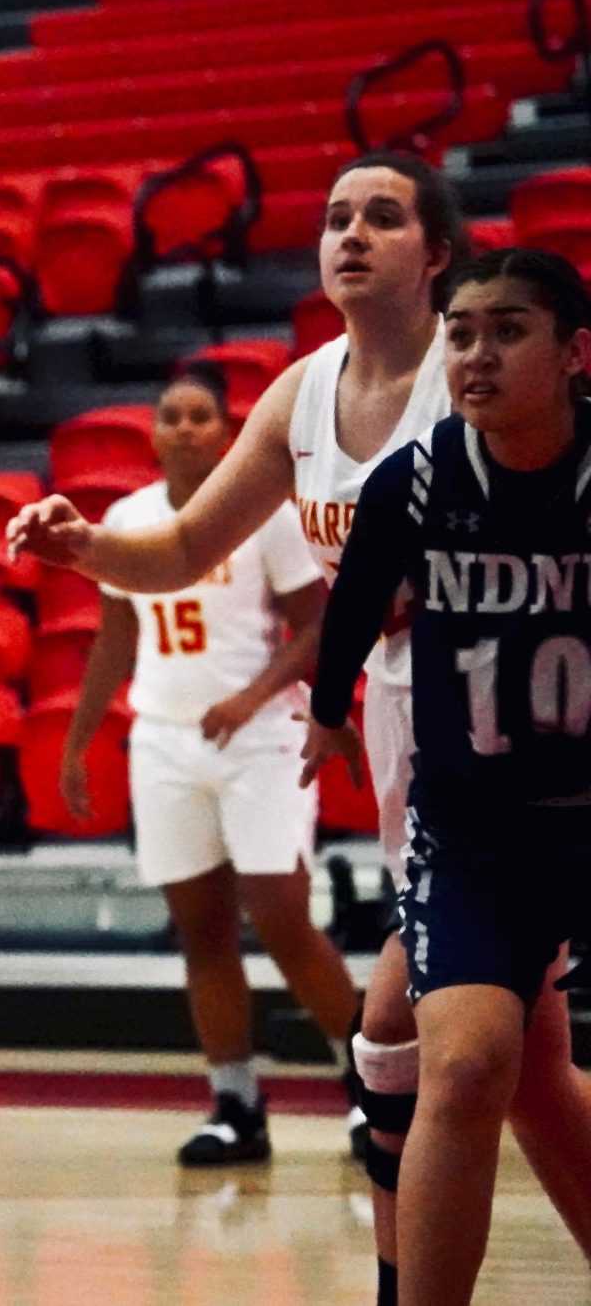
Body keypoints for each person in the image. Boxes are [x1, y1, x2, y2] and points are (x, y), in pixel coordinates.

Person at [9, 154, 591, 1303]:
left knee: (439, 1047)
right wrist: (83, 548)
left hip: (518, 724)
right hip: (405, 725)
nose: (351, 234)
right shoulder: (301, 392)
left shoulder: (481, 367)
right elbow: (179, 551)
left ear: (438, 253)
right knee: (502, 1059)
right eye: (334, 217)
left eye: (382, 214)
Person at [305, 248, 591, 1306]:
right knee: (466, 1064)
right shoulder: (417, 479)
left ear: (572, 354)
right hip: (475, 832)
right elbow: (343, 628)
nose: (475, 352)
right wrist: (329, 716)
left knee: (539, 1080)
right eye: (460, 331)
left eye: (506, 329)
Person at [61, 363, 360, 1164]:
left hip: (261, 736)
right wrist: (80, 737)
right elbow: (116, 637)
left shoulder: (266, 515)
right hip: (162, 738)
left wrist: (253, 693)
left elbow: (318, 625)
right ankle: (235, 1102)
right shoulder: (126, 516)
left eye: (202, 415)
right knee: (202, 933)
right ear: (152, 433)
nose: (187, 427)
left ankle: (370, 1088)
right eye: (172, 415)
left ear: (227, 433)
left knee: (283, 916)